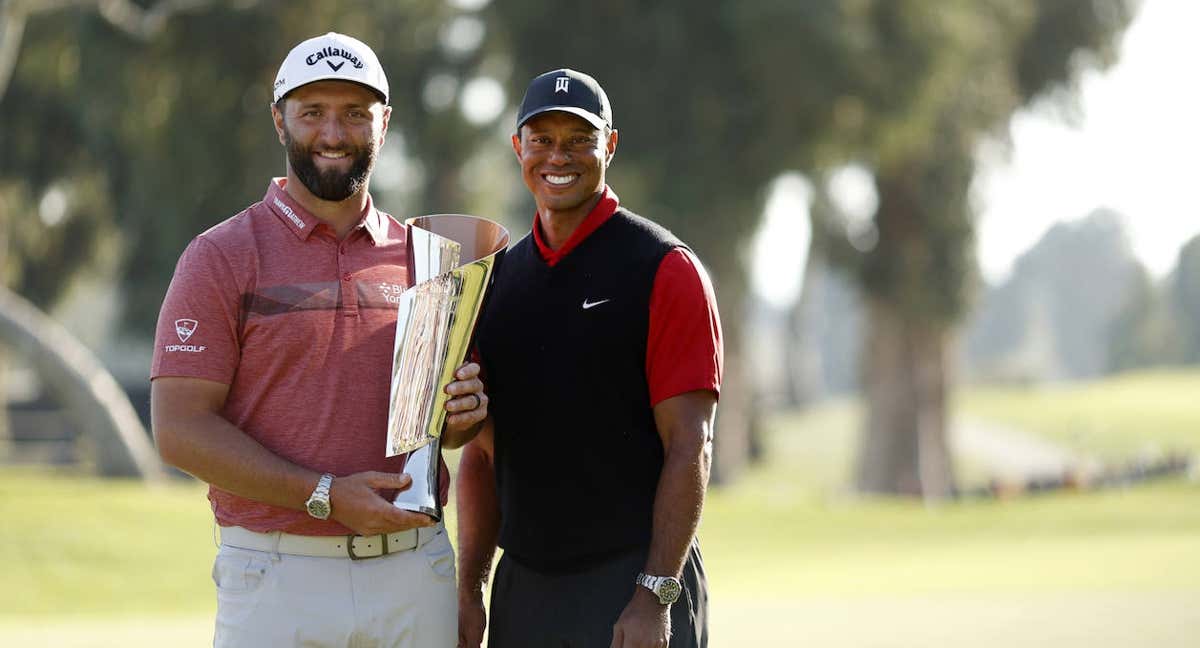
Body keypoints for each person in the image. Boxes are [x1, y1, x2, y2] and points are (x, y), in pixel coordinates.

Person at [150, 32, 487, 647]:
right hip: (277, 572)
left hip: (414, 569)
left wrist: (463, 413)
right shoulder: (221, 256)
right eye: (313, 113)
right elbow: (179, 428)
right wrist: (324, 496)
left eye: (355, 113)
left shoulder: (429, 258)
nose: (334, 134)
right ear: (279, 120)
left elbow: (443, 432)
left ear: (384, 123)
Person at [456, 69, 723, 648]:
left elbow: (690, 443)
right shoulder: (495, 280)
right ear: (518, 148)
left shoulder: (664, 268)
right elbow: (480, 456)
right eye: (542, 139)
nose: (559, 156)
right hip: (525, 587)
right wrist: (469, 589)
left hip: (632, 584)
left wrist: (654, 595)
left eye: (579, 139)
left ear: (611, 145)